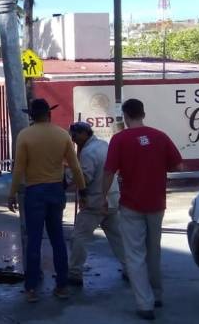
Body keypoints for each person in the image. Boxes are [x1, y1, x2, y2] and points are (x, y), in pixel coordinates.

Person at [104, 99, 183, 321]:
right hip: (157, 204)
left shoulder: (119, 139)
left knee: (135, 254)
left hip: (131, 204)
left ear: (126, 116)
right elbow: (179, 165)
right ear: (143, 113)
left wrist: (102, 196)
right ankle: (157, 295)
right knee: (153, 251)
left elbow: (109, 172)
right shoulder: (160, 136)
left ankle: (144, 303)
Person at [6, 98, 86, 303]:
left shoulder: (25, 135)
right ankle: (62, 286)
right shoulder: (62, 135)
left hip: (34, 191)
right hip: (56, 190)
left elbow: (19, 169)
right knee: (57, 239)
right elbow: (76, 167)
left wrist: (12, 193)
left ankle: (31, 289)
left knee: (33, 240)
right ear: (49, 114)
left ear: (31, 116)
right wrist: (82, 189)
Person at [65, 121, 126, 287]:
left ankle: (75, 273)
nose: (74, 139)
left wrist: (70, 173)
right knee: (118, 237)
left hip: (96, 202)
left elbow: (85, 178)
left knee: (79, 236)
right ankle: (130, 269)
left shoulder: (88, 153)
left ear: (85, 134)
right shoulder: (103, 145)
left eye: (75, 135)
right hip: (112, 199)